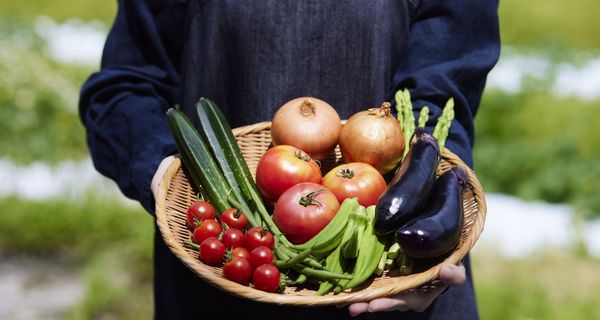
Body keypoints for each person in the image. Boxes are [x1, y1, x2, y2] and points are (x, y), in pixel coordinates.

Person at [79, 0, 500, 319]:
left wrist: (434, 233)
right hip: (228, 263)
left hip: (400, 281)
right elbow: (123, 88)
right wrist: (163, 170)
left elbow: (440, 103)